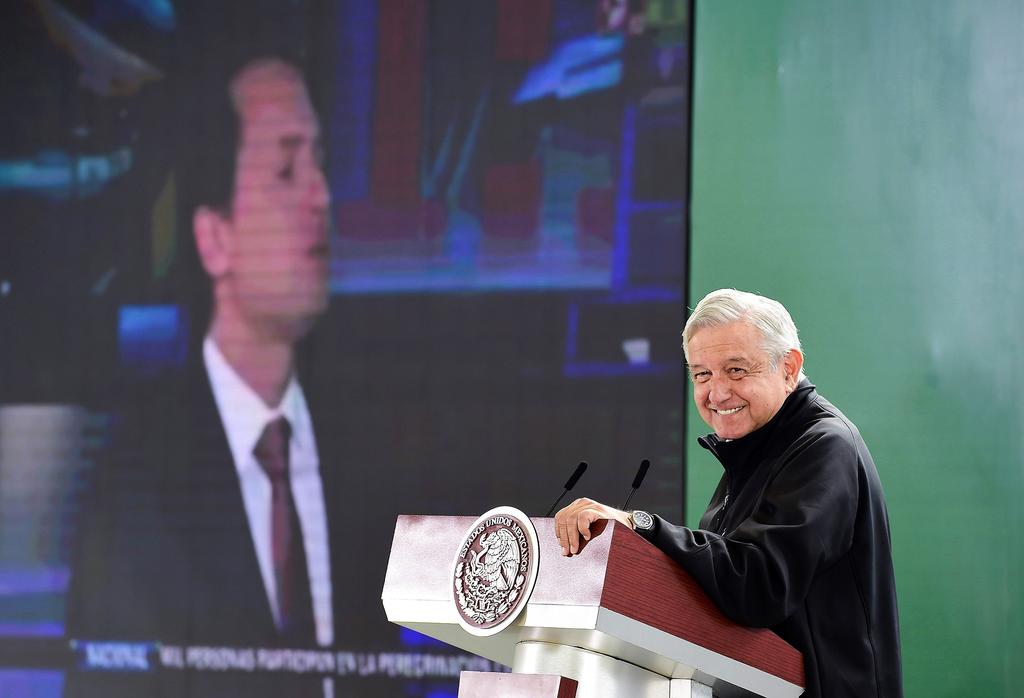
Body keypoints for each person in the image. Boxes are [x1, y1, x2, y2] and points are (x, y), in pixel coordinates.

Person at [65, 56, 394, 697]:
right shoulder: (136, 483)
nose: (321, 196)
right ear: (215, 238)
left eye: (321, 165)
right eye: (286, 171)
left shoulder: (363, 450)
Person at [555, 288, 902, 697]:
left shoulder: (824, 445)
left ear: (788, 368)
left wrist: (640, 526)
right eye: (702, 374)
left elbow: (758, 585)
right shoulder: (754, 450)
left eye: (736, 370)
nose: (717, 393)